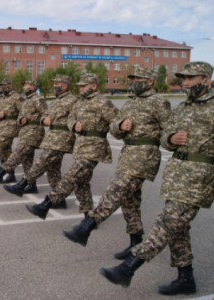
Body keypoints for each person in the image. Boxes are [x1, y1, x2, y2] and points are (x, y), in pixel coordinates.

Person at [99, 61, 214, 296]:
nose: (185, 82)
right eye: (184, 78)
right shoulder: (183, 107)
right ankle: (185, 278)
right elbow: (164, 137)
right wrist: (171, 139)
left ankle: (129, 267)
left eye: (191, 78)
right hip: (177, 176)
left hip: (200, 178)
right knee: (178, 228)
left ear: (206, 80)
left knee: (167, 222)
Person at [62, 67, 171, 255]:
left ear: (150, 82)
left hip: (145, 155)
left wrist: (170, 139)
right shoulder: (130, 104)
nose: (135, 81)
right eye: (133, 79)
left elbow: (169, 131)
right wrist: (120, 126)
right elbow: (113, 129)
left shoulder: (160, 102)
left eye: (139, 78)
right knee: (130, 201)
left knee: (117, 190)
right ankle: (135, 242)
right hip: (128, 153)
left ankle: (85, 228)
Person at [25, 73, 119, 220]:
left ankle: (46, 204)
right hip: (81, 145)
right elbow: (71, 118)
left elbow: (115, 123)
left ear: (94, 86)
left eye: (83, 86)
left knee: (72, 175)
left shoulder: (103, 102)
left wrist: (121, 127)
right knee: (82, 182)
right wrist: (74, 125)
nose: (80, 89)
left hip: (95, 146)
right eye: (79, 86)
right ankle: (89, 215)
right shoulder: (81, 102)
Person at [4, 74, 78, 198]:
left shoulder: (72, 100)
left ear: (65, 86)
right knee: (53, 169)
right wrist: (44, 121)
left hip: (62, 138)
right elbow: (44, 115)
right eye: (54, 84)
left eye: (56, 84)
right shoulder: (56, 101)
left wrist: (75, 125)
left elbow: (77, 118)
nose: (54, 86)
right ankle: (58, 200)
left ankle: (21, 185)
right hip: (52, 137)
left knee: (41, 162)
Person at [0, 80, 47, 183]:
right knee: (27, 160)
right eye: (24, 85)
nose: (24, 87)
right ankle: (31, 185)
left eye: (26, 85)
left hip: (34, 132)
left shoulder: (38, 99)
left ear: (33, 87)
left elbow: (46, 115)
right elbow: (20, 115)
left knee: (17, 154)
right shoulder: (27, 100)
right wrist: (21, 120)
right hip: (25, 131)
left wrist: (36, 120)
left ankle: (1, 174)